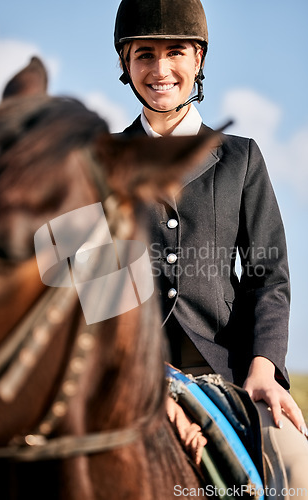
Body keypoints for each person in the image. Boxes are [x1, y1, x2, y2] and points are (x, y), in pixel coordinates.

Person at [114, 0, 308, 494]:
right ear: (125, 64)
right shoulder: (94, 160)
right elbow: (81, 282)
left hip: (228, 371)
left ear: (197, 59)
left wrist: (265, 365)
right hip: (124, 373)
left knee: (298, 465)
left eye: (175, 52)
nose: (160, 70)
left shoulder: (241, 157)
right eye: (144, 55)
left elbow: (269, 275)